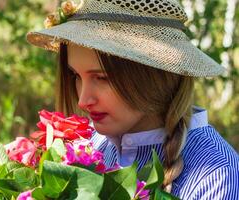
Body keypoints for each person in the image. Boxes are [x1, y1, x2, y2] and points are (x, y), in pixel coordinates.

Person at [26, 0, 239, 199]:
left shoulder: (215, 175)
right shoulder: (90, 147)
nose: (83, 100)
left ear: (155, 75)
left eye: (101, 78)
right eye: (76, 76)